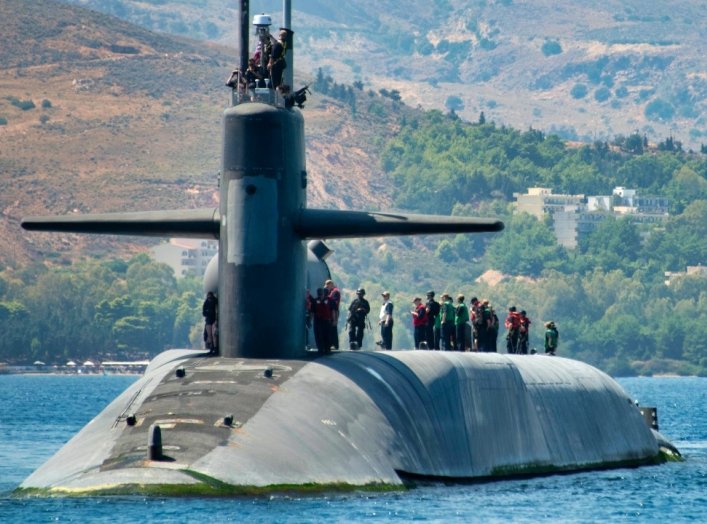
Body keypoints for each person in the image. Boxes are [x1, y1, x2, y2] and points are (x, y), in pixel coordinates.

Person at [313, 288, 332, 354]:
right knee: (319, 335)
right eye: (319, 293)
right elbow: (313, 311)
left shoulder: (327, 300)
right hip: (318, 320)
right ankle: (320, 348)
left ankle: (327, 348)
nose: (320, 294)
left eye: (321, 293)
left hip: (326, 320)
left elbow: (332, 310)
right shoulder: (315, 300)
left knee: (326, 335)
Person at [324, 279, 341, 351]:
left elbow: (335, 303)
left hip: (334, 311)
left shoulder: (335, 292)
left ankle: (334, 344)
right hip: (332, 311)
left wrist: (335, 317)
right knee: (332, 328)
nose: (327, 287)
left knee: (333, 327)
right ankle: (332, 343)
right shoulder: (332, 292)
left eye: (327, 286)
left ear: (330, 284)